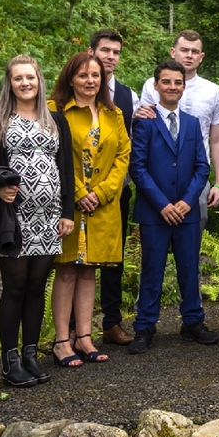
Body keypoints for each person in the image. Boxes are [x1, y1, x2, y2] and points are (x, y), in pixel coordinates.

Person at [0, 56, 75, 385]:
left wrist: (67, 213)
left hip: (48, 218)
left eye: (30, 77)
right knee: (14, 288)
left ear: (39, 80)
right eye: (18, 78)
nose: (25, 83)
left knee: (36, 288)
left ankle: (30, 355)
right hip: (13, 220)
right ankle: (9, 361)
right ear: (10, 83)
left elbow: (67, 170)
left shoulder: (57, 120)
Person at [128, 60, 216, 354]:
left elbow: (202, 167)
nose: (172, 87)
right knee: (152, 268)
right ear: (156, 86)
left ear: (184, 86)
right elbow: (137, 168)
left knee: (190, 268)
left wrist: (186, 202)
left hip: (186, 210)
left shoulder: (192, 123)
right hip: (155, 210)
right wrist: (163, 204)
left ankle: (193, 321)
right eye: (166, 82)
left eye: (178, 82)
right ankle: (145, 326)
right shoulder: (144, 121)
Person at [49, 52, 131, 365]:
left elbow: (123, 155)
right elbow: (54, 155)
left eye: (95, 75)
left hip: (103, 205)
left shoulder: (114, 114)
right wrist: (80, 192)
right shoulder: (56, 111)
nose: (90, 81)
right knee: (67, 270)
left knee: (89, 272)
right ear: (70, 78)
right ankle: (61, 341)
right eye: (83, 75)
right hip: (69, 203)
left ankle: (84, 337)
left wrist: (102, 192)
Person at [135, 29, 219, 230]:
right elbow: (145, 125)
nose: (189, 55)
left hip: (196, 178)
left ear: (201, 57)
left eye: (195, 51)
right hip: (156, 177)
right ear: (173, 51)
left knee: (192, 237)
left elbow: (218, 139)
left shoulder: (213, 92)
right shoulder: (151, 87)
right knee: (154, 239)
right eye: (184, 50)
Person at [88, 29, 136, 346]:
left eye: (115, 52)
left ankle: (111, 323)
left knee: (113, 259)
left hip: (116, 189)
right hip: (79, 191)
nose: (110, 57)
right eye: (105, 50)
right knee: (74, 262)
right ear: (91, 50)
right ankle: (72, 329)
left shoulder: (129, 95)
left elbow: (128, 145)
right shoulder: (76, 88)